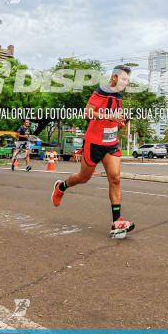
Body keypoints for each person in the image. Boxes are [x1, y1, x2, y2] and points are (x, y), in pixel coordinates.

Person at [51, 65, 135, 238]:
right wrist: (109, 117)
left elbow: (113, 115)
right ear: (114, 78)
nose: (126, 83)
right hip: (94, 142)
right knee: (83, 177)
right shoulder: (101, 92)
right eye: (124, 79)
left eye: (128, 80)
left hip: (111, 143)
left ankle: (117, 222)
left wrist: (118, 122)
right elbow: (88, 113)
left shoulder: (119, 95)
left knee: (115, 178)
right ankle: (61, 187)